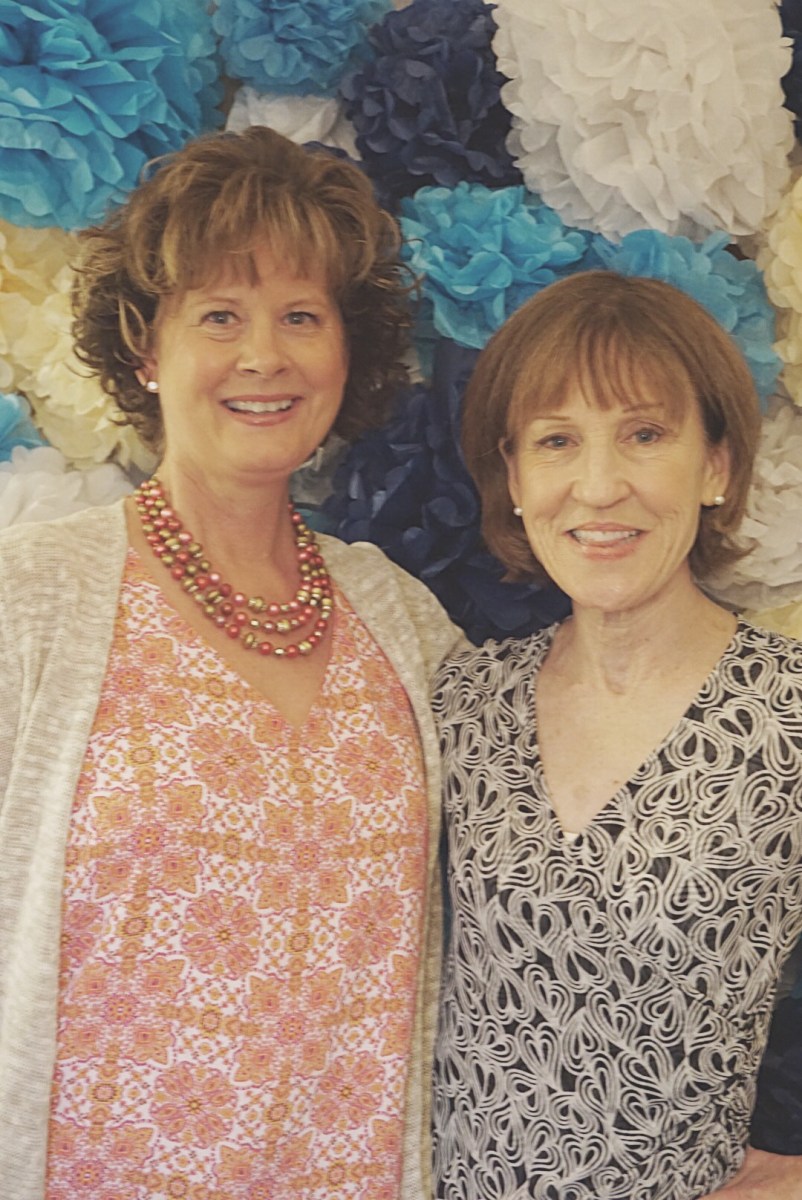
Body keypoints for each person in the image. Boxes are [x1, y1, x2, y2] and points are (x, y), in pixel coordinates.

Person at [0, 126, 462, 1200]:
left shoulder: (405, 623)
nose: (264, 355)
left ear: (346, 354)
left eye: (302, 315)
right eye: (219, 315)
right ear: (146, 348)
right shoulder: (30, 602)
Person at [431, 272, 802, 1200]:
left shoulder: (789, 714)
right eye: (557, 441)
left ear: (716, 466)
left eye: (644, 434)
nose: (598, 486)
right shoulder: (461, 702)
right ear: (516, 480)